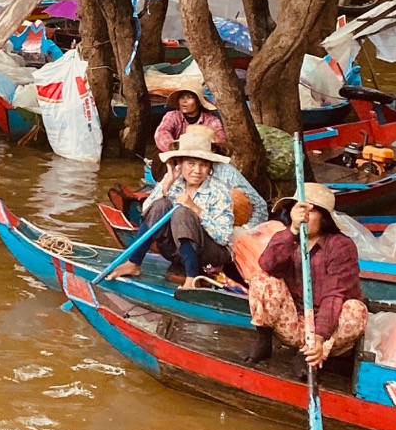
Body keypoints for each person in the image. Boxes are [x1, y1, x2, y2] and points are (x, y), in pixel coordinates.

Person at [114, 128, 267, 289]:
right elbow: (147, 211)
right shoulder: (173, 180)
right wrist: (166, 187)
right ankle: (134, 262)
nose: (197, 170)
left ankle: (191, 278)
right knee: (160, 205)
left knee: (183, 212)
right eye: (190, 164)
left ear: (210, 167)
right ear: (179, 163)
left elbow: (223, 237)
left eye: (203, 165)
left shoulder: (219, 189)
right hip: (178, 248)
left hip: (210, 252)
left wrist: (196, 210)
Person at [244, 183, 365, 366]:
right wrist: (292, 231)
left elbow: (334, 295)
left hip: (328, 333)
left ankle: (308, 356)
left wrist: (318, 337)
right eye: (299, 209)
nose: (304, 217)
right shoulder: (285, 237)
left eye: (311, 211)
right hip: (293, 323)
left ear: (324, 217)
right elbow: (268, 265)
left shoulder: (341, 246)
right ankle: (264, 341)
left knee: (356, 311)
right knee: (263, 278)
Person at [154, 78, 227, 159]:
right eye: (182, 97)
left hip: (203, 157)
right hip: (175, 155)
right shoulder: (172, 116)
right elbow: (161, 132)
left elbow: (220, 139)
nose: (184, 101)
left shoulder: (211, 120)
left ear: (199, 102)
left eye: (189, 97)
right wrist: (174, 148)